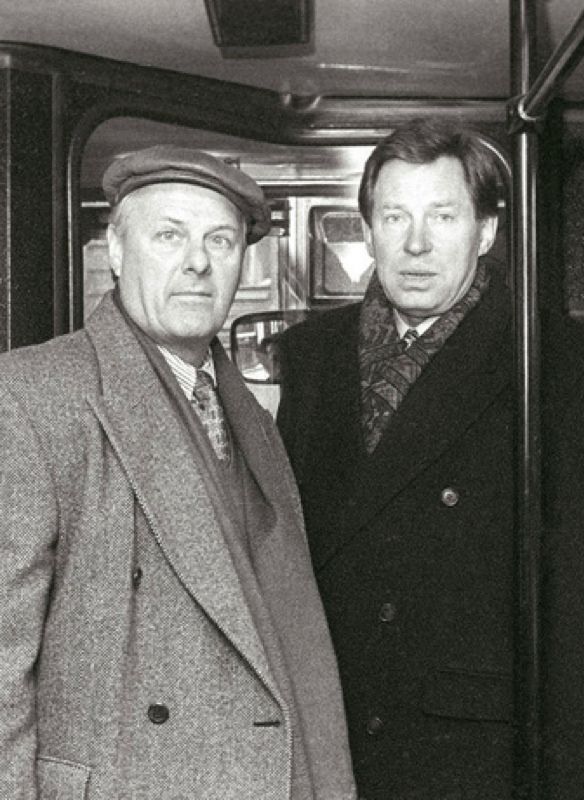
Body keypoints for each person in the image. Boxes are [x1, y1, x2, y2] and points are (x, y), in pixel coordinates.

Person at [277, 118, 584, 799]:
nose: (416, 243)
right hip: (329, 747)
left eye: (442, 217)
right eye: (395, 217)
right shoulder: (311, 359)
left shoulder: (568, 369)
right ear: (368, 232)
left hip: (477, 764)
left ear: (486, 231)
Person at [0, 145, 356, 799]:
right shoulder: (32, 395)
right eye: (170, 235)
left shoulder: (251, 418)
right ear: (116, 250)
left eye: (220, 241)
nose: (197, 261)